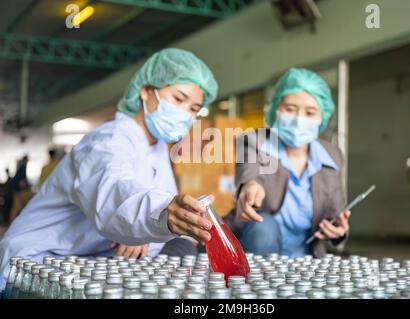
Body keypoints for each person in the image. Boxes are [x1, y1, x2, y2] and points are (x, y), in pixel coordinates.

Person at [0, 48, 218, 289]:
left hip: (94, 267)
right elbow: (115, 191)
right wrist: (153, 217)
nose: (185, 113)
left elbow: (154, 226)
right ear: (146, 91)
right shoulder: (106, 142)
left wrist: (159, 230)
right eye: (178, 99)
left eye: (194, 108)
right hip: (38, 266)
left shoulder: (157, 150)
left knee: (183, 255)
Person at [228, 68, 351, 258]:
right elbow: (249, 174)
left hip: (306, 259)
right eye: (290, 109)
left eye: (310, 113)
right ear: (276, 108)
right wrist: (250, 187)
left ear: (322, 118)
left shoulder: (331, 155)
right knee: (264, 226)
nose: (298, 119)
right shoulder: (255, 141)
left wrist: (338, 231)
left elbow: (335, 214)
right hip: (257, 250)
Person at [8, 156, 33, 223]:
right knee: (20, 208)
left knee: (17, 208)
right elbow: (22, 183)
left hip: (17, 191)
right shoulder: (22, 168)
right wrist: (27, 189)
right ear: (25, 160)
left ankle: (13, 222)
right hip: (20, 192)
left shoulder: (20, 168)